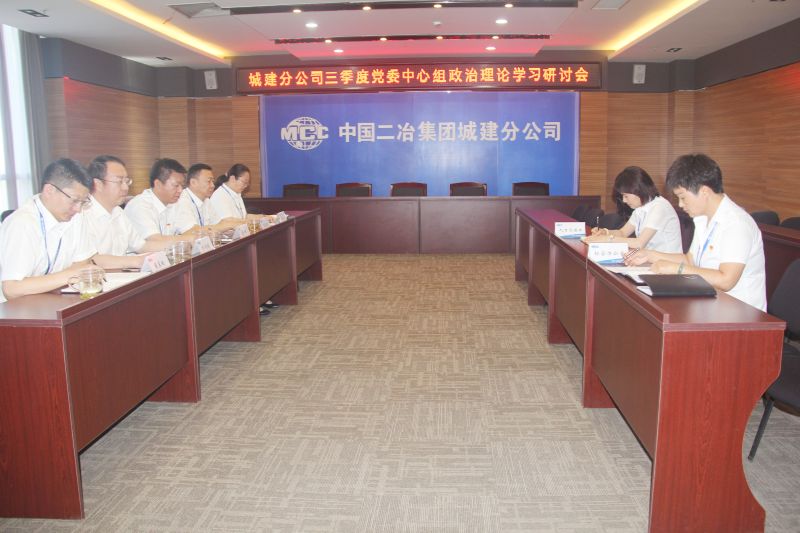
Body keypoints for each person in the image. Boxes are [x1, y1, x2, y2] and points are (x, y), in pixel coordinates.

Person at [625, 154, 766, 310]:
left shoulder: (736, 223)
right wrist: (650, 255)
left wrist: (676, 269)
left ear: (704, 191)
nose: (680, 204)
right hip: (709, 303)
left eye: (683, 197)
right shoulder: (703, 218)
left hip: (740, 313)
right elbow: (691, 260)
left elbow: (726, 280)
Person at [0, 158, 144, 302]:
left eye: (83, 202)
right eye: (74, 200)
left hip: (53, 298)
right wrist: (70, 274)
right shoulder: (22, 223)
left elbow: (83, 262)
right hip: (17, 309)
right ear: (49, 190)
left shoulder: (75, 215)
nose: (78, 209)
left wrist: (72, 274)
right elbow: (12, 289)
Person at [85, 155, 182, 255]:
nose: (125, 187)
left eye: (126, 181)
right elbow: (92, 259)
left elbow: (141, 246)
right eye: (119, 181)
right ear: (98, 184)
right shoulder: (84, 215)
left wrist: (182, 244)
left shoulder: (118, 212)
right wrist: (137, 261)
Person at [584, 166, 682, 253]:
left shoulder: (659, 207)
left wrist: (608, 239)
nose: (624, 200)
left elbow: (639, 243)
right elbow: (623, 233)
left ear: (638, 190)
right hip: (650, 260)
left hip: (667, 265)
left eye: (626, 196)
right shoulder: (641, 208)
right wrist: (605, 232)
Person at [124, 158, 186, 239]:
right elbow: (155, 241)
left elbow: (191, 229)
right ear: (158, 184)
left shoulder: (173, 203)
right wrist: (188, 238)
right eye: (176, 185)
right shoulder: (140, 206)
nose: (180, 190)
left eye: (182, 185)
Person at [174, 163, 243, 234]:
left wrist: (233, 225)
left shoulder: (206, 200)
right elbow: (194, 231)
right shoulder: (182, 201)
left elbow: (218, 223)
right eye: (208, 181)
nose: (213, 185)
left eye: (212, 181)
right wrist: (228, 225)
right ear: (193, 182)